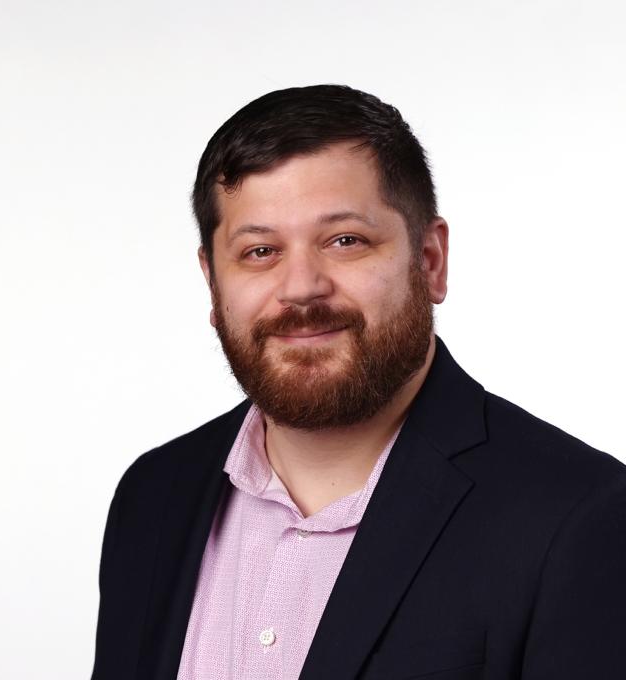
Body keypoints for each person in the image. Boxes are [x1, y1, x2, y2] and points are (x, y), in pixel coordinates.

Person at [91, 85, 626, 680]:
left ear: (429, 261)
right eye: (260, 250)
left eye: (345, 241)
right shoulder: (152, 498)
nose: (300, 288)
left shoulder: (578, 517)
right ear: (213, 284)